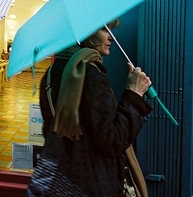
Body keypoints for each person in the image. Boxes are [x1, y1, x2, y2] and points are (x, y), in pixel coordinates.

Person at [27, 20, 153, 197]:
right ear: (86, 32)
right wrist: (134, 94)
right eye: (103, 29)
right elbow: (112, 141)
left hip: (62, 180)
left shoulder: (50, 74)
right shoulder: (90, 75)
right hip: (91, 183)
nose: (111, 37)